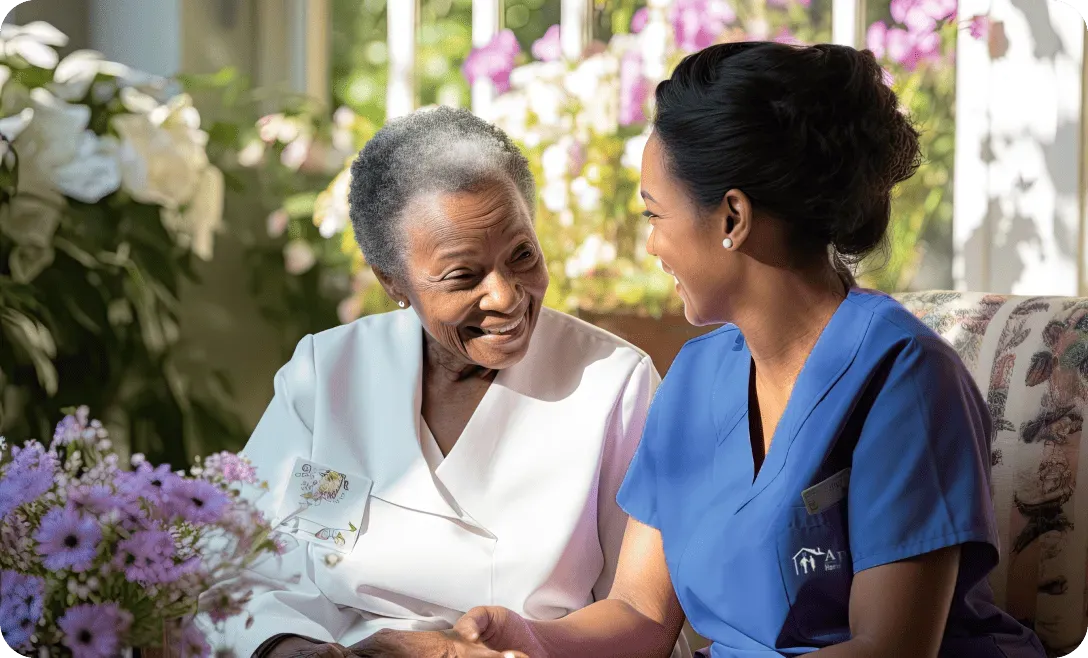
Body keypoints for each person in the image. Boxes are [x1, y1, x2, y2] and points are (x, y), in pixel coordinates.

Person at [451, 42, 1049, 657]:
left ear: (733, 217)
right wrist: (523, 638)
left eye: (655, 215)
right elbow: (639, 612)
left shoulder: (907, 378)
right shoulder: (694, 379)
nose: (651, 246)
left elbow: (888, 649)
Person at [208, 107, 689, 658]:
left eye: (523, 255)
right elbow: (250, 568)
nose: (507, 296)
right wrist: (298, 651)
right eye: (464, 276)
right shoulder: (330, 374)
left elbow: (639, 616)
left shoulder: (612, 385)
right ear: (393, 282)